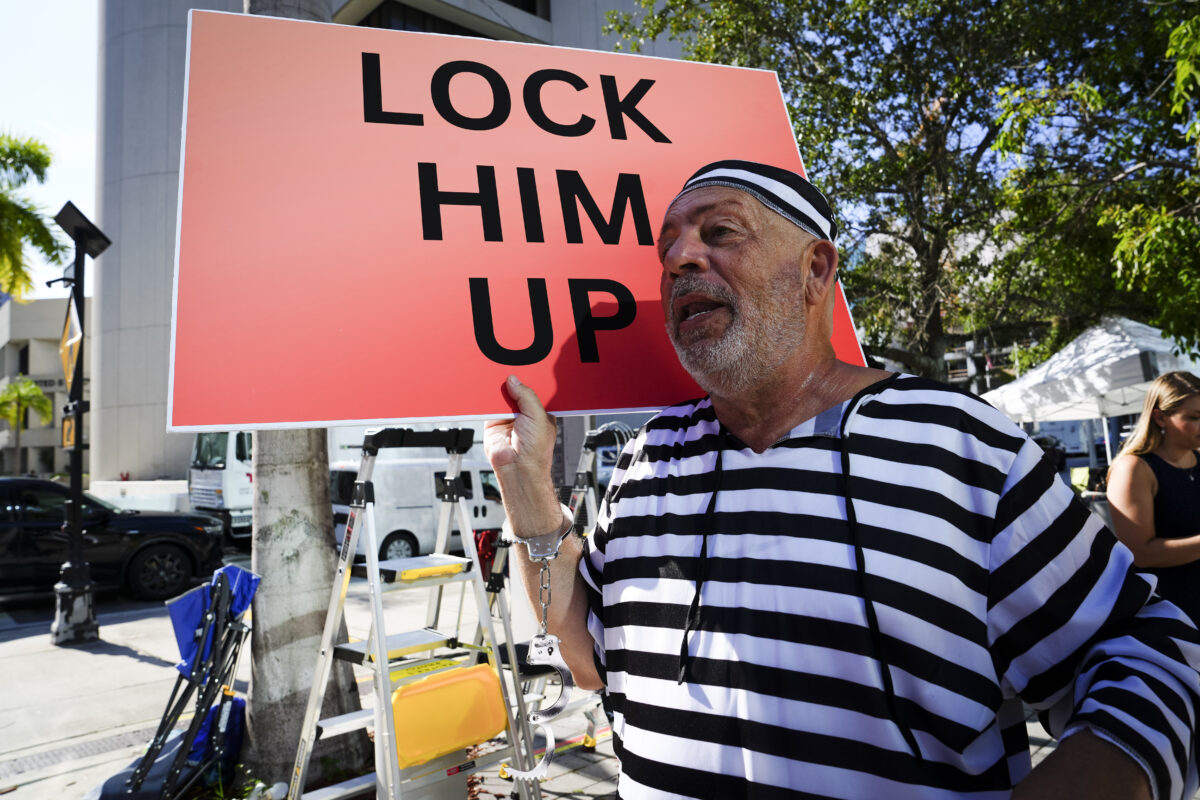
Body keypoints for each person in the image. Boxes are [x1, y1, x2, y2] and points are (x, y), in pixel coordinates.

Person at [484, 160, 1200, 799]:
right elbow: (585, 657)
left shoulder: (958, 442)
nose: (678, 259)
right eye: (666, 247)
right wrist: (528, 495)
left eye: (720, 232)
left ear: (817, 269)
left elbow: (1152, 655)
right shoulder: (647, 458)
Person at [1106, 371, 1200, 622]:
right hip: (1171, 617)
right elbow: (1140, 552)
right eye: (1194, 417)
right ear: (1160, 417)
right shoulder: (1134, 468)